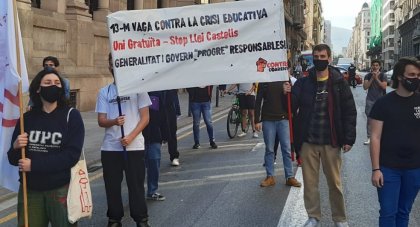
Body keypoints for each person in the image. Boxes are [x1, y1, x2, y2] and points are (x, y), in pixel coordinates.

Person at [284, 44, 356, 227]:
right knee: (310, 183)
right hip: (308, 141)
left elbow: (349, 111)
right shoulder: (303, 82)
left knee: (335, 183)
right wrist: (287, 93)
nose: (319, 59)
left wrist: (349, 138)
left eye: (323, 56)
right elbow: (290, 109)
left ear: (329, 58)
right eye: (316, 56)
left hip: (331, 141)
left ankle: (340, 219)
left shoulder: (339, 82)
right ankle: (313, 216)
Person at [8, 69, 85, 226]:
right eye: (48, 83)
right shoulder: (27, 118)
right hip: (30, 192)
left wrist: (34, 165)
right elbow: (14, 159)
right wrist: (16, 147)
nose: (53, 86)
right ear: (38, 88)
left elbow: (71, 156)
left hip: (60, 190)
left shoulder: (72, 115)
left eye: (57, 83)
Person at [96, 53, 151, 227]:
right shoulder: (104, 92)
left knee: (136, 185)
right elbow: (101, 120)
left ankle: (141, 219)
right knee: (112, 186)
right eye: (111, 63)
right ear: (109, 66)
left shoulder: (139, 89)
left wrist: (131, 136)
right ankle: (114, 218)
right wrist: (114, 121)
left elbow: (145, 117)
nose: (114, 66)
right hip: (111, 148)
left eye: (117, 63)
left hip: (134, 147)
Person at [369, 57, 420, 227]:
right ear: (400, 77)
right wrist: (376, 169)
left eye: (418, 75)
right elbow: (375, 137)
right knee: (388, 213)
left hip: (414, 169)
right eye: (412, 75)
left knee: (404, 212)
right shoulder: (383, 104)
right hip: (388, 168)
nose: (416, 79)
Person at [254, 81, 302, 188]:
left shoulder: (284, 78)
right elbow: (258, 100)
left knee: (286, 149)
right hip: (268, 119)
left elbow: (293, 102)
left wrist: (287, 92)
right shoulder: (264, 81)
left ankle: (289, 177)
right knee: (270, 149)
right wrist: (256, 120)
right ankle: (270, 176)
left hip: (283, 118)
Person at [143, 91, 168, 201]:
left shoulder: (156, 94)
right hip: (137, 137)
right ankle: (137, 192)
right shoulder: (134, 93)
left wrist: (166, 133)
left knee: (154, 163)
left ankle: (152, 191)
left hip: (154, 135)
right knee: (138, 167)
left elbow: (163, 114)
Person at [363, 59, 387, 145]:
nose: (375, 67)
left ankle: (380, 137)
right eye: (373, 65)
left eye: (377, 65)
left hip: (381, 100)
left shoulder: (383, 75)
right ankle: (369, 137)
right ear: (371, 66)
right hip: (370, 100)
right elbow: (365, 87)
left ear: (379, 67)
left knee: (381, 119)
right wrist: (372, 78)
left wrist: (376, 78)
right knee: (369, 119)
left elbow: (384, 87)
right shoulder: (368, 76)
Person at [162, 89, 180, 166]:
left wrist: (177, 111)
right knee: (155, 133)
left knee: (172, 133)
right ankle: (151, 158)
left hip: (170, 108)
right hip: (156, 106)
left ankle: (174, 157)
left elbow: (175, 93)